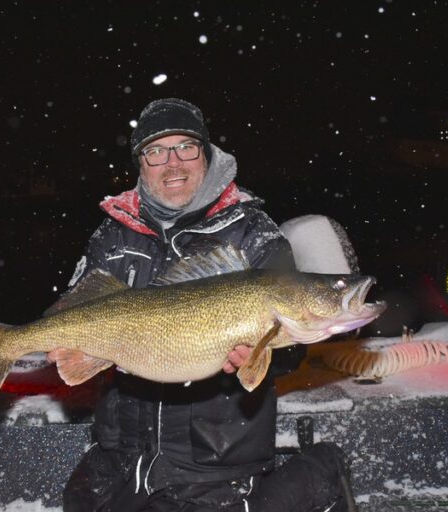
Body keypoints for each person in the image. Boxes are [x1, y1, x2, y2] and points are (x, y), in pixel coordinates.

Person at [52, 98, 352, 512]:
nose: (172, 163)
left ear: (207, 155)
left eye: (185, 147)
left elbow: (293, 347)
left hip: (215, 465)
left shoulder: (252, 233)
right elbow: (71, 312)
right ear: (141, 164)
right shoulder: (113, 236)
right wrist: (61, 343)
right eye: (156, 151)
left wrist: (261, 354)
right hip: (123, 458)